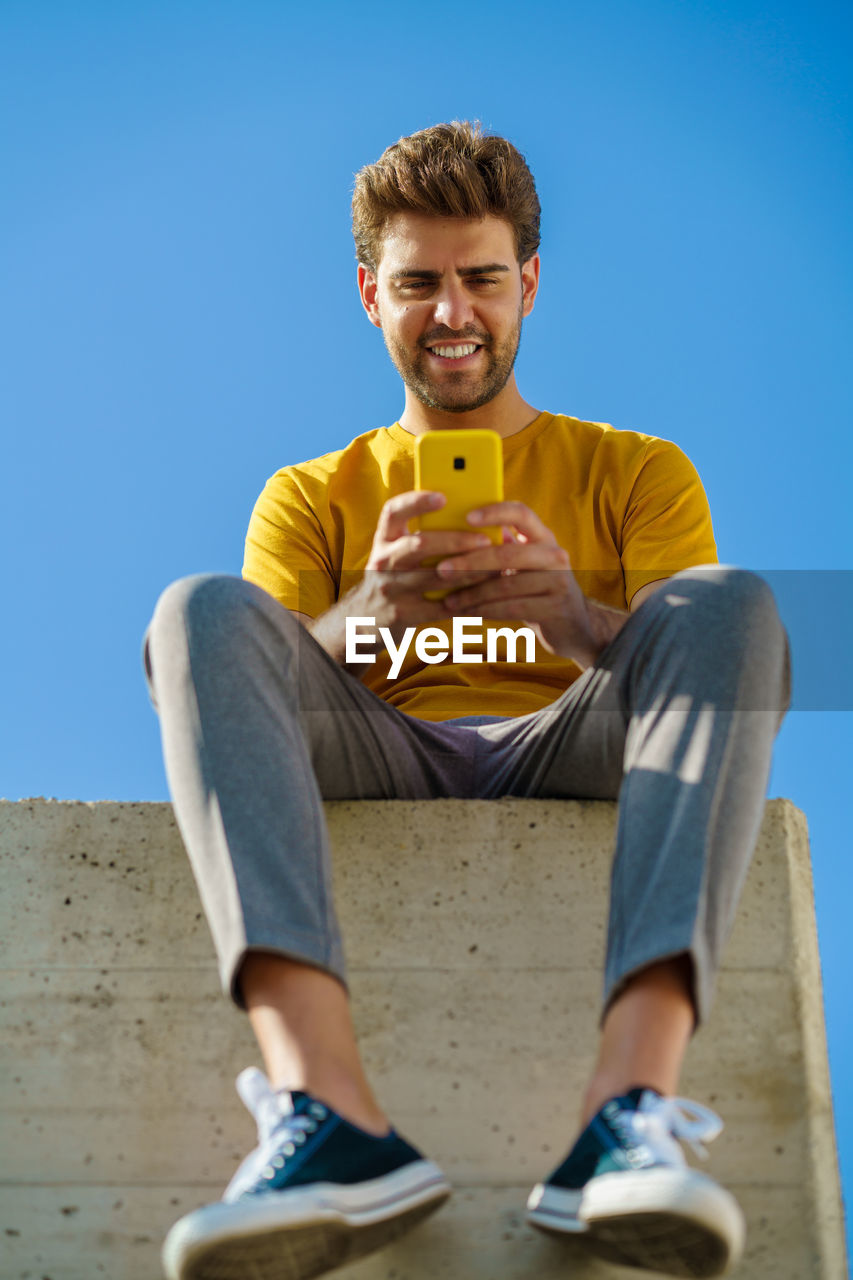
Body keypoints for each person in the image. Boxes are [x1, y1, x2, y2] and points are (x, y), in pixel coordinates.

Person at [144, 120, 790, 1280]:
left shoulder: (636, 469)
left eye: (482, 279)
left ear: (528, 283)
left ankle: (627, 1114)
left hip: (567, 736)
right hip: (379, 744)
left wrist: (579, 624)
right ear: (367, 294)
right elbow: (252, 674)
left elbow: (694, 674)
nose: (452, 313)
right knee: (197, 609)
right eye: (418, 283)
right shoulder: (308, 494)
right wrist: (357, 625)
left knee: (727, 602)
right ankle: (322, 1112)